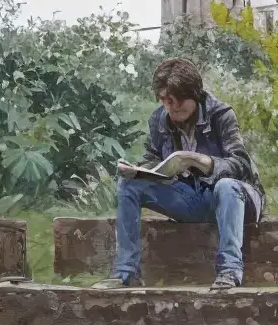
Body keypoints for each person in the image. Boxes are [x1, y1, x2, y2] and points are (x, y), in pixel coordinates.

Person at [101, 60, 259, 287]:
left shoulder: (221, 114)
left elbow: (241, 165)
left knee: (226, 186)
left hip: (235, 200)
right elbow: (154, 158)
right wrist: (139, 170)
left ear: (194, 94)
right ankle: (126, 272)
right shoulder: (159, 120)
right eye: (166, 101)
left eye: (179, 99)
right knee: (128, 185)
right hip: (191, 198)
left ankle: (230, 270)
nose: (173, 106)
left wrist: (202, 162)